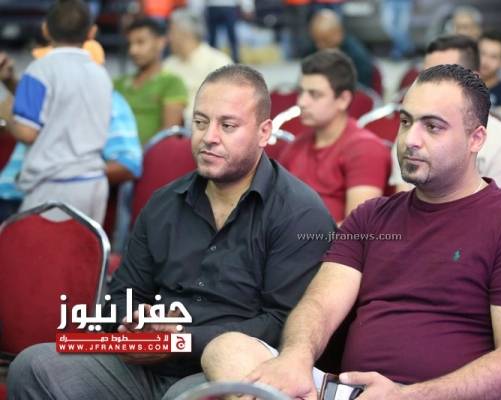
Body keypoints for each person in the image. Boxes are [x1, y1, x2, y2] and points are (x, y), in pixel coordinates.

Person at [201, 64, 501, 399]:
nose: (410, 139)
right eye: (406, 122)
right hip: (349, 392)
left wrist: (406, 396)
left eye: (432, 127)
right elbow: (320, 305)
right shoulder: (372, 217)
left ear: (476, 138)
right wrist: (296, 356)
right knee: (227, 349)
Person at [7, 64, 335, 399]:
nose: (209, 137)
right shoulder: (164, 203)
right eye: (200, 122)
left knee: (186, 396)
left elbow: (282, 325)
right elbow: (121, 295)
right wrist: (133, 321)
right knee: (33, 366)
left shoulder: (298, 213)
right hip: (144, 365)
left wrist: (180, 340)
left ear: (264, 133)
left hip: (224, 367)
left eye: (227, 125)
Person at [0, 0, 112, 224]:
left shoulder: (39, 70)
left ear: (45, 29)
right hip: (95, 183)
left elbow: (27, 133)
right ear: (92, 32)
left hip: (53, 186)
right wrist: (11, 83)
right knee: (86, 247)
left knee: (40, 247)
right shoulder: (101, 74)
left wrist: (4, 106)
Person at [390, 35, 501, 194]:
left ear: (473, 79)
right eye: (426, 76)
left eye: (442, 76)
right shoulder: (411, 135)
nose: (429, 85)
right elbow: (404, 199)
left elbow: (498, 206)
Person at [278, 49, 390, 224]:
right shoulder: (295, 146)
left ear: (343, 100)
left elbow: (359, 228)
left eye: (315, 94)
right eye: (301, 92)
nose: (302, 102)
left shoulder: (366, 149)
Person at [114, 17, 187, 144]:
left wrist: (137, 153)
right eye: (130, 44)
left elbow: (169, 133)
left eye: (140, 42)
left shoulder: (172, 83)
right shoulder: (118, 83)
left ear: (160, 43)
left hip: (152, 154)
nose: (133, 50)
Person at [163, 9, 232, 126]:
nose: (168, 38)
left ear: (185, 34)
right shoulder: (168, 65)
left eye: (171, 32)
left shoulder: (218, 63)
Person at [308, 9, 376, 91]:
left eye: (325, 41)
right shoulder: (312, 51)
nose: (319, 45)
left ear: (338, 34)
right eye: (316, 41)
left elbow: (362, 89)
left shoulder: (356, 56)